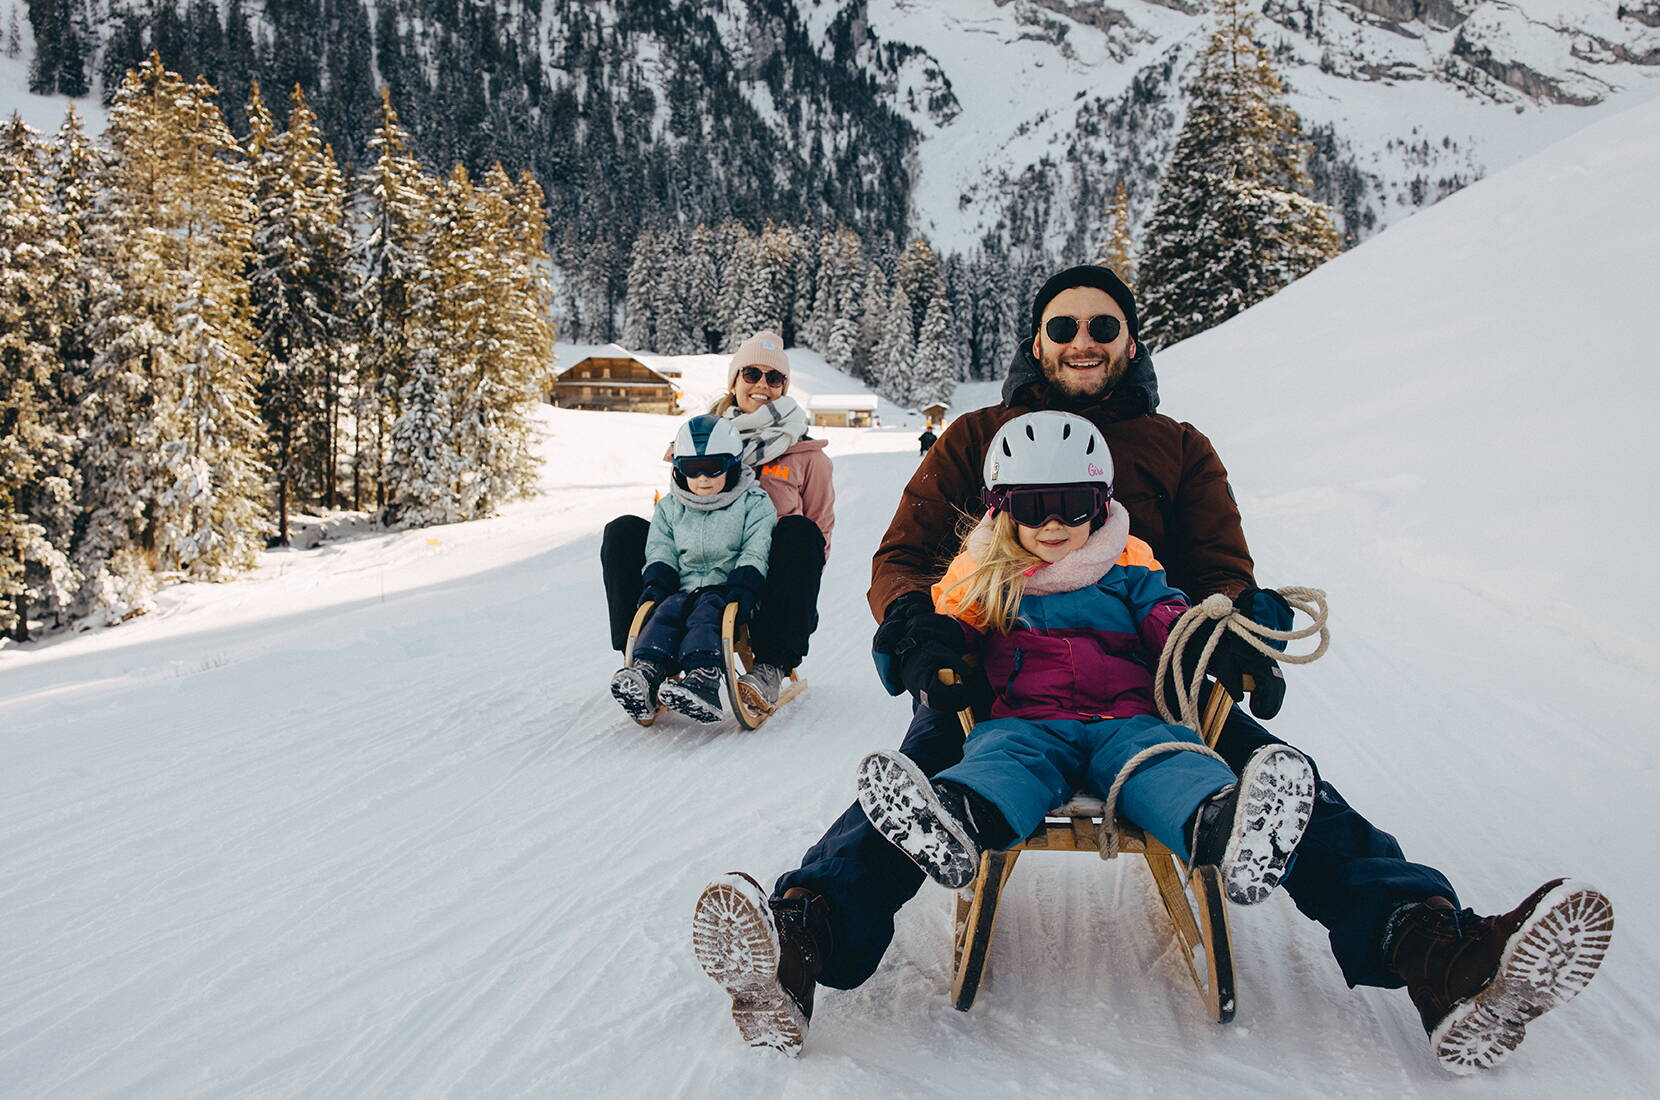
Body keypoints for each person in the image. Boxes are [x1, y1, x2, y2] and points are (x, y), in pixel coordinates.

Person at [690, 266, 1612, 1071]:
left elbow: (1219, 569)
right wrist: (918, 628)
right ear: (1038, 341)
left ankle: (1435, 954)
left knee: (1266, 775)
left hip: (1156, 679)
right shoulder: (977, 436)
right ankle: (801, 939)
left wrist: (1236, 626)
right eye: (1065, 325)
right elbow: (904, 555)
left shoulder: (1178, 445)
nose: (1084, 340)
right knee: (936, 760)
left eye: (1104, 325)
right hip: (991, 668)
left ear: (1130, 341)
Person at [856, 411, 1316, 910]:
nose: (1053, 524)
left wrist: (1217, 636)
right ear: (1002, 508)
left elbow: (1170, 621)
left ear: (1100, 506)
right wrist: (924, 648)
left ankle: (1225, 832)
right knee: (1001, 761)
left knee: (1168, 761)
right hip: (1029, 721)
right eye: (1033, 507)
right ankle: (957, 822)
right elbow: (949, 628)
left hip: (1128, 717)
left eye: (1072, 505)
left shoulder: (1128, 563)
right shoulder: (986, 575)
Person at [601, 332, 835, 711]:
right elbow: (677, 510)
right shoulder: (699, 439)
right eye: (752, 374)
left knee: (801, 533)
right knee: (623, 531)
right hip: (697, 565)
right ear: (735, 379)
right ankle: (642, 658)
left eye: (774, 378)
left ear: (785, 386)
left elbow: (820, 535)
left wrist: (780, 587)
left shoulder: (808, 457)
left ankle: (771, 665)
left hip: (764, 581)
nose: (762, 385)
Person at [610, 414, 775, 723]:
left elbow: (756, 547)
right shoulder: (671, 506)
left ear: (733, 464)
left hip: (724, 589)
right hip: (683, 587)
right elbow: (661, 548)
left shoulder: (753, 502)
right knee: (663, 613)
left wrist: (743, 587)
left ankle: (704, 679)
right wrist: (657, 583)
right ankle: (648, 673)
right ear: (678, 468)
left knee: (705, 616)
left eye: (713, 468)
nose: (702, 479)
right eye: (691, 469)